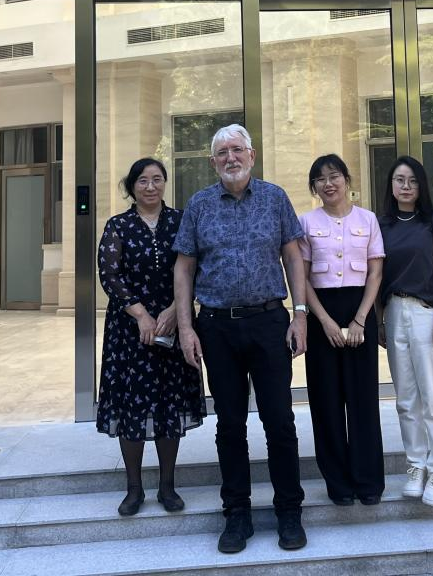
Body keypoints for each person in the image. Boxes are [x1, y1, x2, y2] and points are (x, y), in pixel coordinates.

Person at [173, 124, 310, 554]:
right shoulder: (198, 205)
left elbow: (293, 256)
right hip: (217, 327)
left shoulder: (275, 198)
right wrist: (185, 327)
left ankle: (289, 510)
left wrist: (300, 314)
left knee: (279, 420)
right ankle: (236, 513)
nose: (230, 158)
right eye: (222, 152)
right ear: (212, 161)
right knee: (229, 424)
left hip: (269, 323)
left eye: (237, 150)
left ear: (252, 155)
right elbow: (184, 268)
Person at [96, 157, 205, 516]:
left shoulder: (181, 221)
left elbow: (197, 268)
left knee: (168, 404)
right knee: (132, 405)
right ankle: (134, 489)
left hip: (175, 324)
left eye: (157, 179)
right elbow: (110, 275)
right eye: (143, 180)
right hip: (129, 330)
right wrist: (141, 314)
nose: (150, 186)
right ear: (132, 186)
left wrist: (176, 310)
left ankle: (167, 487)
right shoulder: (119, 225)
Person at [299, 154, 386, 506]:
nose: (328, 183)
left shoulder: (368, 219)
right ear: (314, 188)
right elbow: (302, 278)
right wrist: (324, 321)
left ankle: (368, 482)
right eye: (320, 179)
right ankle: (338, 484)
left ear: (347, 180)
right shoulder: (306, 222)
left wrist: (361, 319)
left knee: (363, 400)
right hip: (323, 315)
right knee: (327, 402)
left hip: (360, 310)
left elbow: (376, 272)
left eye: (334, 176)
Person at [378, 155, 433, 508]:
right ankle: (416, 465)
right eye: (399, 180)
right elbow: (377, 276)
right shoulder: (382, 225)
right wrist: (380, 319)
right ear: (391, 185)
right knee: (406, 399)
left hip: (428, 314)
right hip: (395, 312)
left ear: (421, 185)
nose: (406, 186)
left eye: (412, 180)